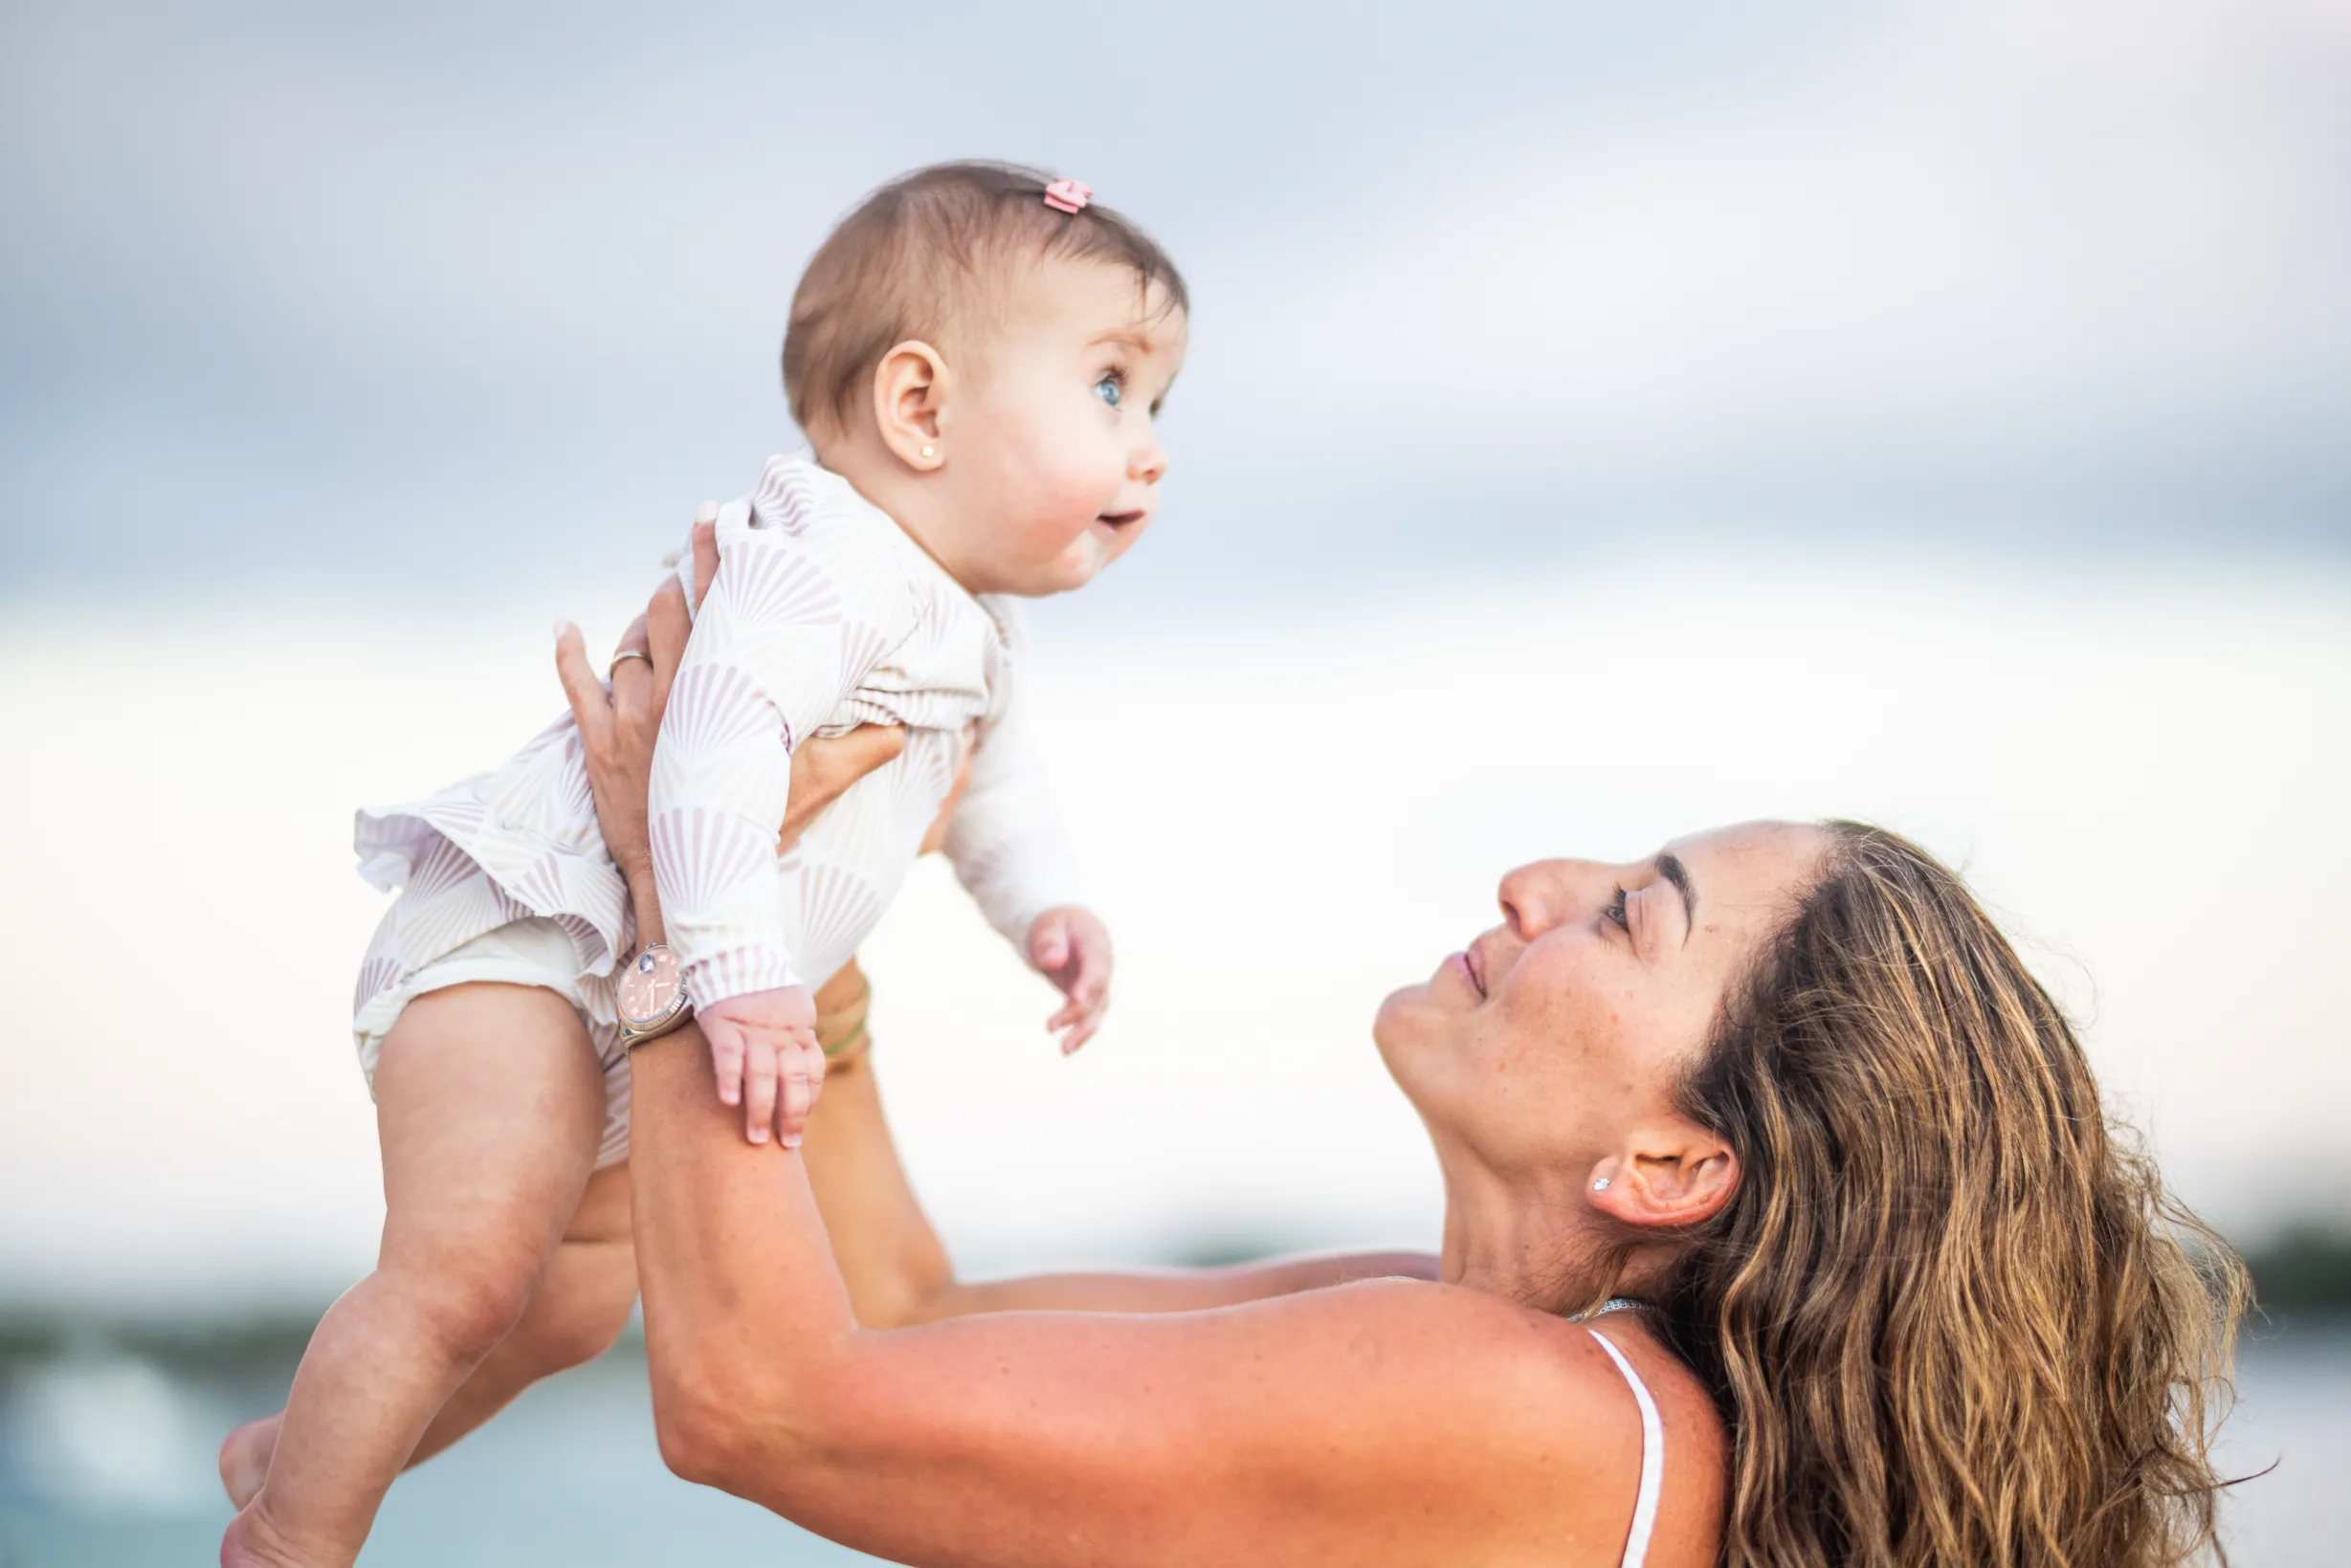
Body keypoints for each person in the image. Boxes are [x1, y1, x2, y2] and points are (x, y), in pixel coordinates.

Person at [563, 575, 2242, 1568]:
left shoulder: (1528, 1410)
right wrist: (817, 920)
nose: (1536, 883)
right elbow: (905, 1318)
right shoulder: (1508, 1360)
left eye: (1630, 911)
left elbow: (766, 1407)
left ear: (1672, 1165)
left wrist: (685, 901)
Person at [217, 161, 1187, 1566]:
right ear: (921, 407)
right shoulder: (819, 560)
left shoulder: (976, 631)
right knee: (470, 1266)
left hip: (645, 994)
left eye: (1158, 404)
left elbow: (998, 796)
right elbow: (714, 741)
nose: (1150, 444)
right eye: (1111, 388)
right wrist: (740, 976)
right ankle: (294, 1535)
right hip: (530, 949)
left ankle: (290, 1444)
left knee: (566, 1305)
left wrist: (1047, 908)